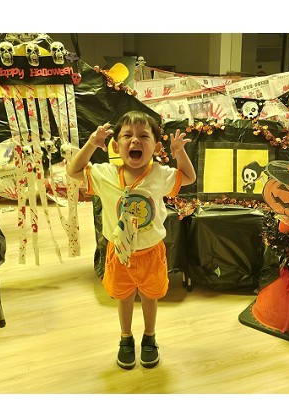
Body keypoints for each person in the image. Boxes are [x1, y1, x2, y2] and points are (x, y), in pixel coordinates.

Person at [67, 111, 196, 369]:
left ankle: (150, 337)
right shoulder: (105, 174)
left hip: (151, 253)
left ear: (156, 147)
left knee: (150, 296)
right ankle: (126, 338)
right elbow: (74, 170)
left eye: (144, 136)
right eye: (127, 135)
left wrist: (179, 151)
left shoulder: (159, 174)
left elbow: (189, 177)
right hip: (119, 253)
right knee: (123, 297)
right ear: (116, 146)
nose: (135, 140)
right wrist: (92, 143)